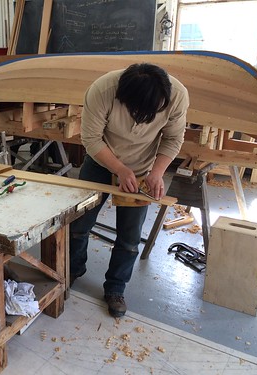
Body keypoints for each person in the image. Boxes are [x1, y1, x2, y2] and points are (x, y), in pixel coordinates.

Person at [69, 63, 189, 318]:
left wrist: (156, 173)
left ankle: (115, 287)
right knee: (79, 224)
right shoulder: (102, 90)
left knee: (130, 237)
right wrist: (120, 170)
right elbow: (91, 139)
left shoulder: (177, 96)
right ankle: (72, 269)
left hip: (144, 167)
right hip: (101, 161)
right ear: (124, 99)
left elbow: (173, 139)